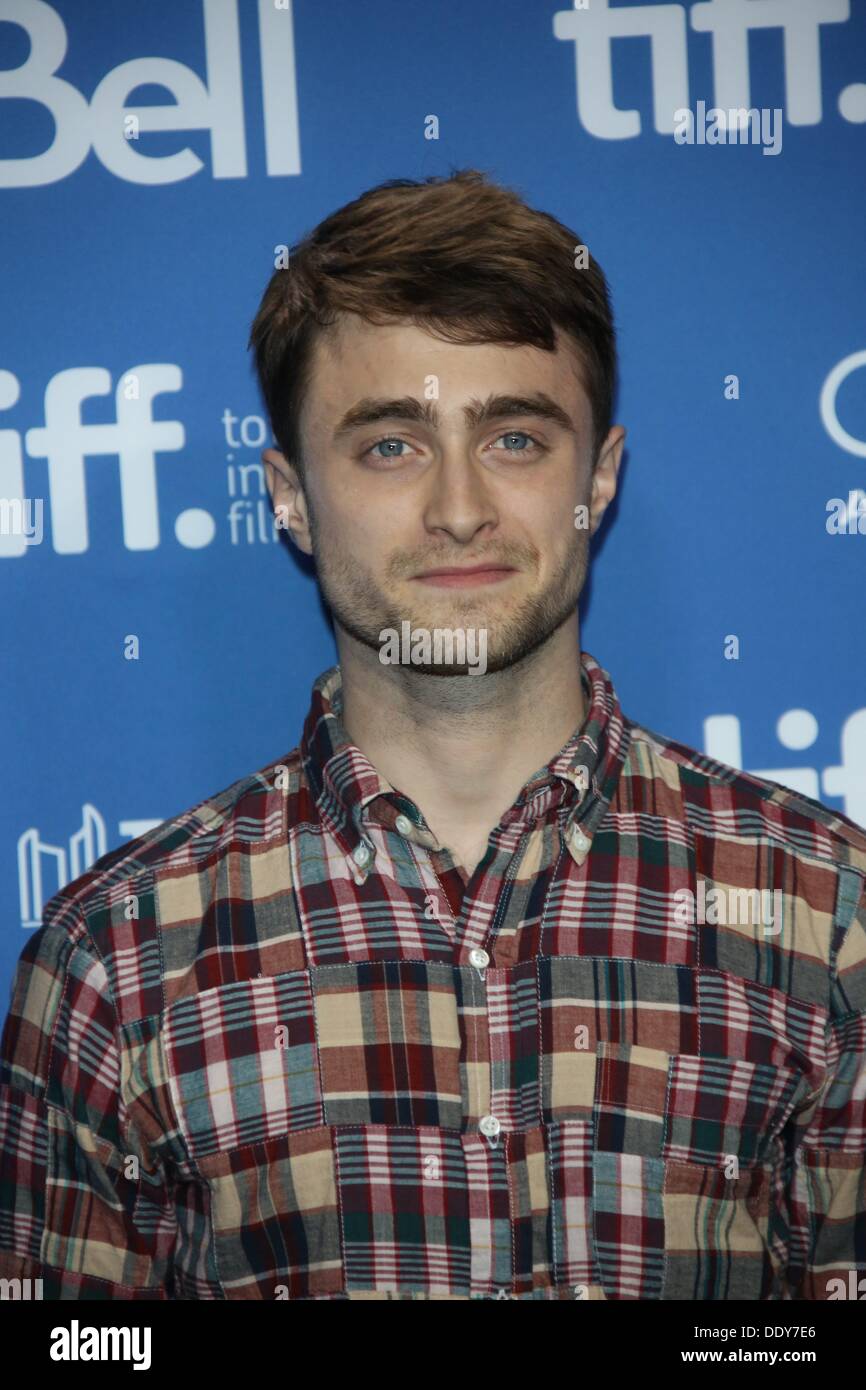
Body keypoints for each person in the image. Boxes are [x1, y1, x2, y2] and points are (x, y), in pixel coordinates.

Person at [1, 169, 864, 1301]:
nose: (459, 507)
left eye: (512, 437)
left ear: (595, 480)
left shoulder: (821, 912)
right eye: (390, 446)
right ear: (290, 497)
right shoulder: (115, 961)